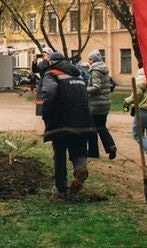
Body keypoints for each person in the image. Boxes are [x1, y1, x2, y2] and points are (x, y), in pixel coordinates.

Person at [39, 51, 96, 197]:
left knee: (60, 154)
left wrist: (45, 110)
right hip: (83, 119)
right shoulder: (77, 73)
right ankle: (81, 168)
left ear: (52, 62)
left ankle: (60, 188)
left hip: (62, 121)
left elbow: (49, 93)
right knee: (78, 149)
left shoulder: (52, 74)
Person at [125, 64, 147, 167]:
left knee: (137, 133)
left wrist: (127, 101)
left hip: (144, 109)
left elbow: (136, 94)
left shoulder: (142, 77)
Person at [85, 50, 118, 159]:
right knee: (101, 126)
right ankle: (110, 146)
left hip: (96, 103)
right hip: (105, 103)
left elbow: (96, 87)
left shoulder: (95, 70)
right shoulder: (103, 69)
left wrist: (84, 90)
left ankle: (93, 151)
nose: (88, 61)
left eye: (89, 59)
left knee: (91, 127)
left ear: (94, 60)